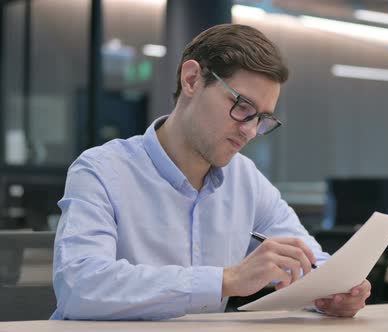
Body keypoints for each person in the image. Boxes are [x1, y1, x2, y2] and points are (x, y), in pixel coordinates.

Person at [51, 24, 371, 320]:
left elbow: (307, 258)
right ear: (191, 80)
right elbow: (80, 287)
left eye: (261, 119)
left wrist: (334, 289)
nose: (249, 131)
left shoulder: (245, 178)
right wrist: (225, 280)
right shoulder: (101, 170)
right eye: (242, 107)